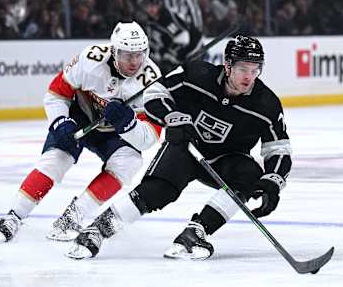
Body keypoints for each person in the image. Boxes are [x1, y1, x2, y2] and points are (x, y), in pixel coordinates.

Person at [66, 35, 292, 260]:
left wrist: (273, 181)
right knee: (156, 192)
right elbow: (154, 92)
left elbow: (278, 148)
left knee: (249, 175)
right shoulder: (196, 75)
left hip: (228, 160)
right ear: (228, 64)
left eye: (255, 70)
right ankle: (96, 230)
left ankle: (195, 233)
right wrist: (171, 116)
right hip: (186, 147)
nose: (249, 76)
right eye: (243, 68)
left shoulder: (266, 104)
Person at [0, 21, 162, 243]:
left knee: (129, 162)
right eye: (127, 55)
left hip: (116, 133)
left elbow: (150, 138)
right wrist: (60, 121)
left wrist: (129, 125)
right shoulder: (90, 60)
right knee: (55, 160)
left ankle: (74, 217)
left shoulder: (152, 81)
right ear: (114, 51)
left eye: (139, 54)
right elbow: (56, 93)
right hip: (78, 119)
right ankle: (14, 215)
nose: (134, 62)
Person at [138, 0, 203, 73]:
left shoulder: (167, 17)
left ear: (159, 4)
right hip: (175, 57)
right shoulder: (150, 23)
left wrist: (168, 55)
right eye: (148, 6)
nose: (150, 8)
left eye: (154, 5)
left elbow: (184, 38)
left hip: (192, 49)